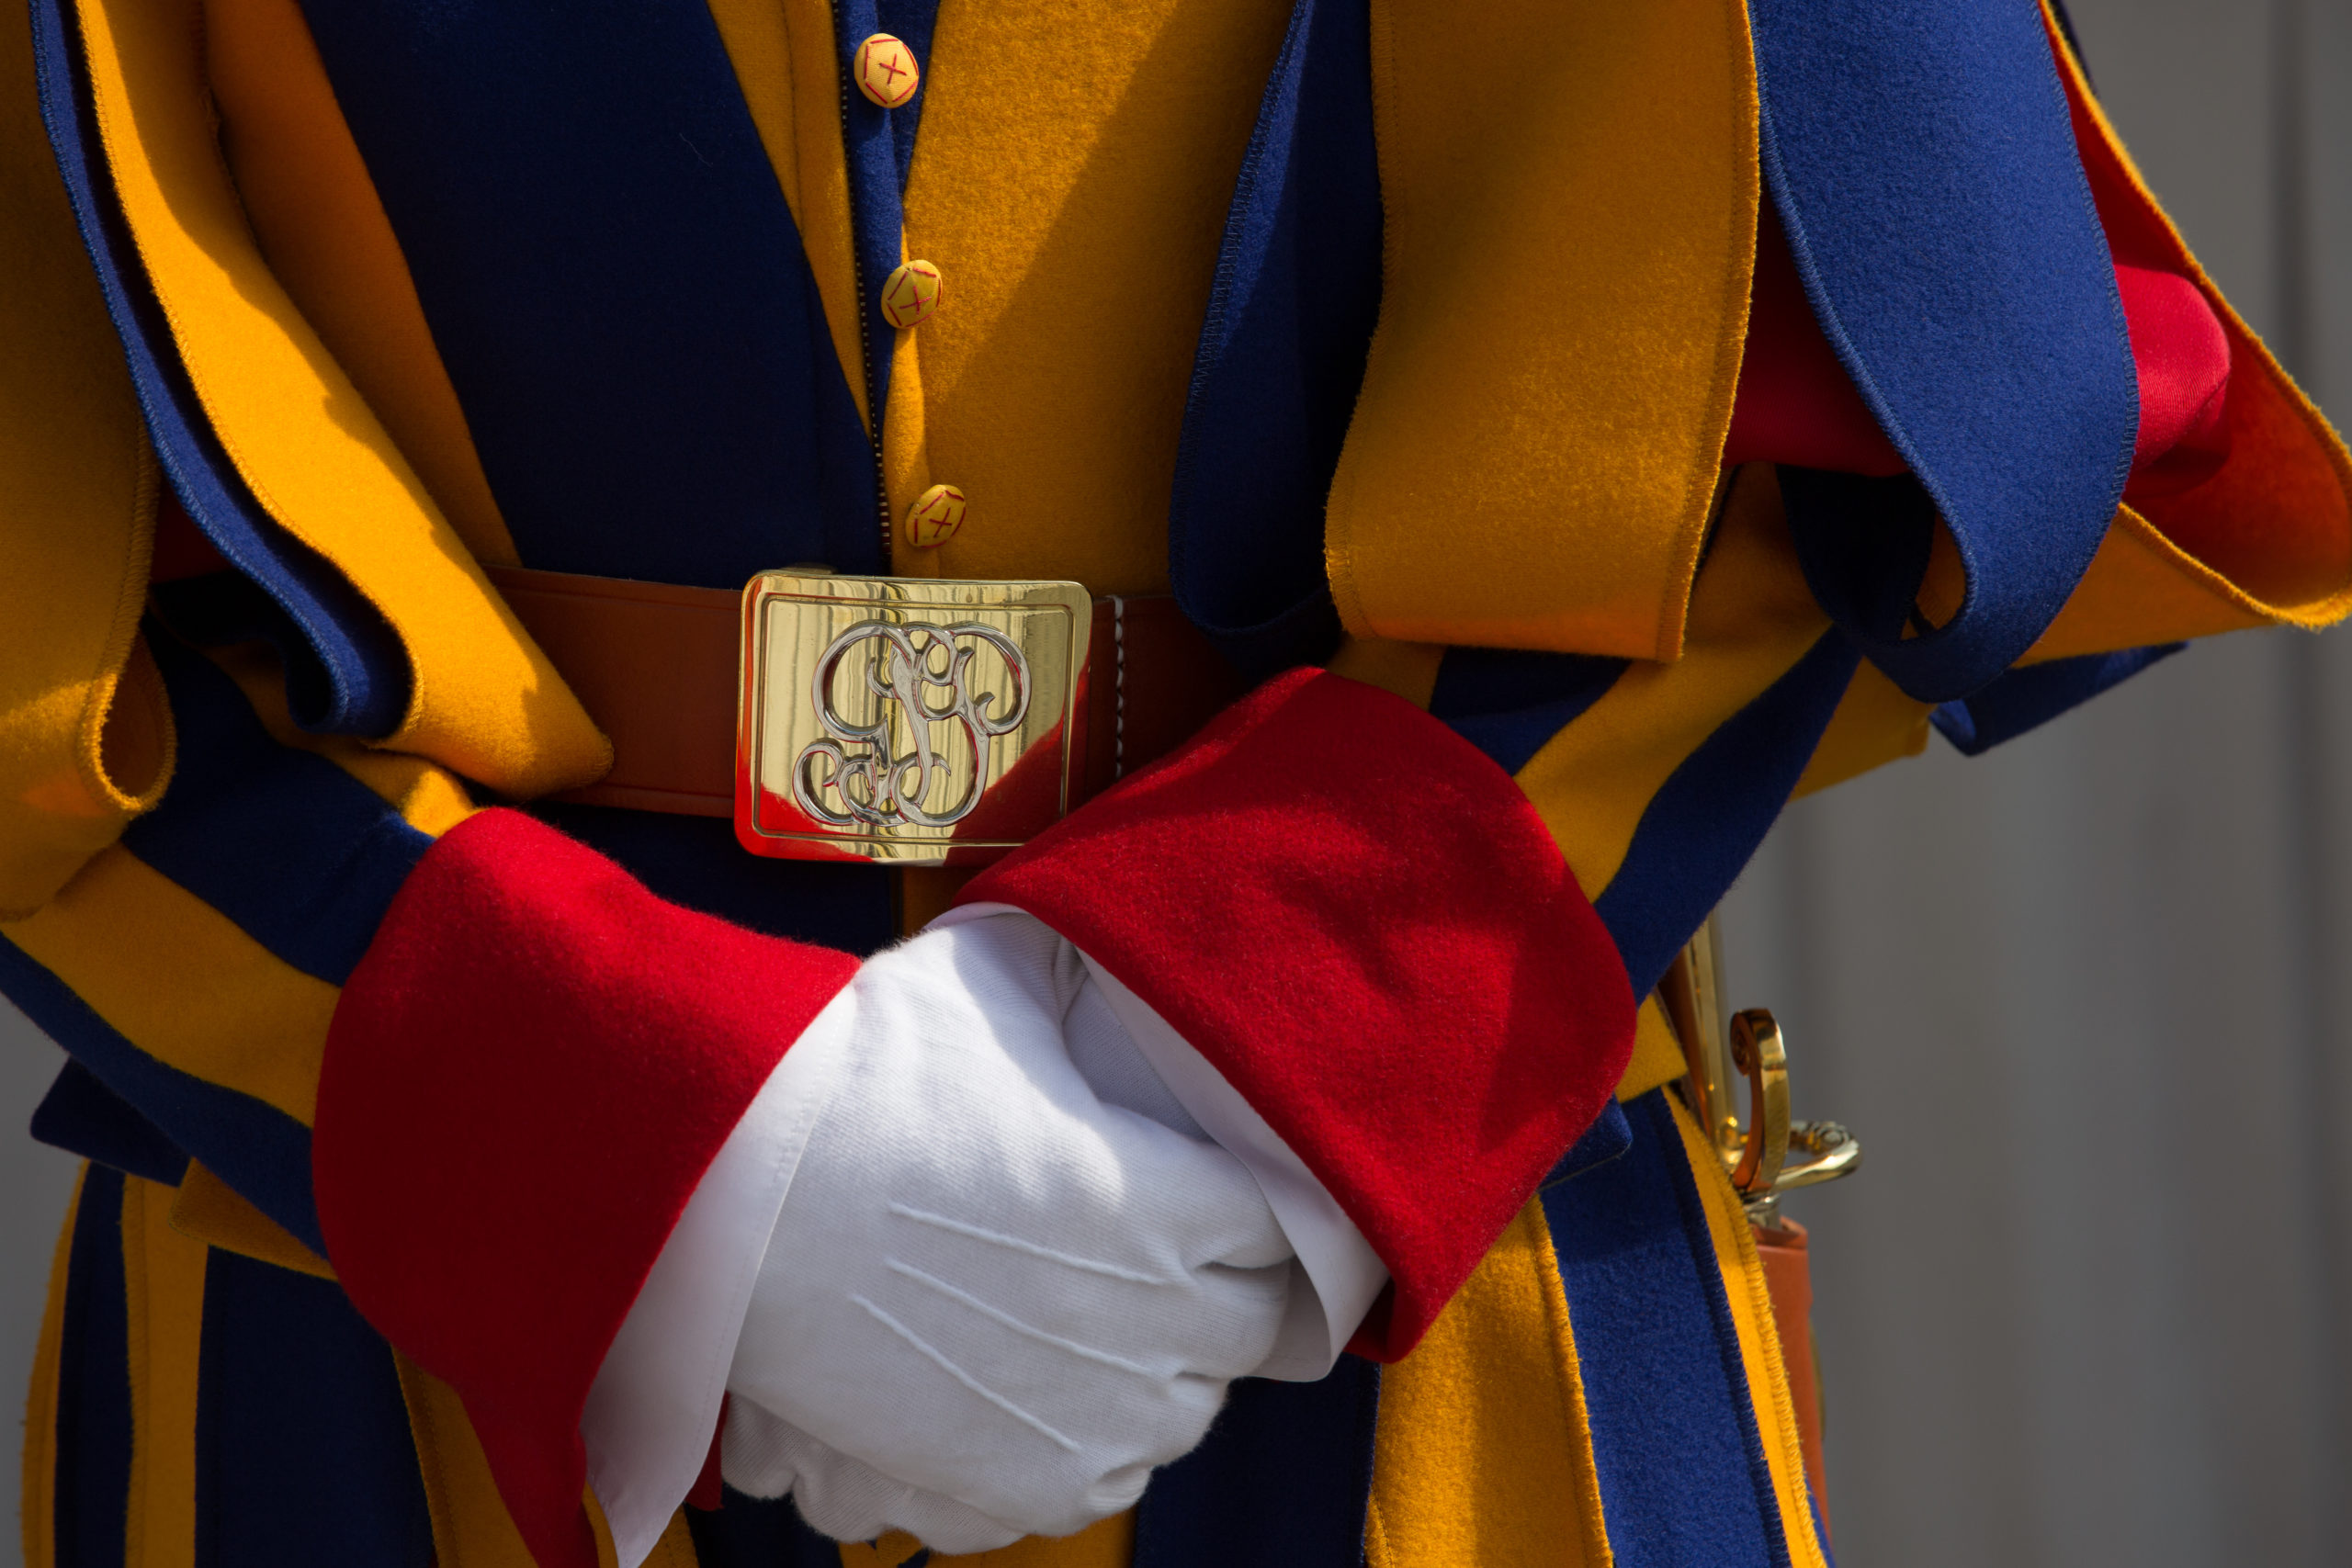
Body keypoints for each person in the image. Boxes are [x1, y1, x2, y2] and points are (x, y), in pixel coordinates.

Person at [4, 0, 2344, 1565]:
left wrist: (1255, 1038)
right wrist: (615, 1123)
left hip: (1401, 1305)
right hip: (388, 1324)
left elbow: (1808, 353)